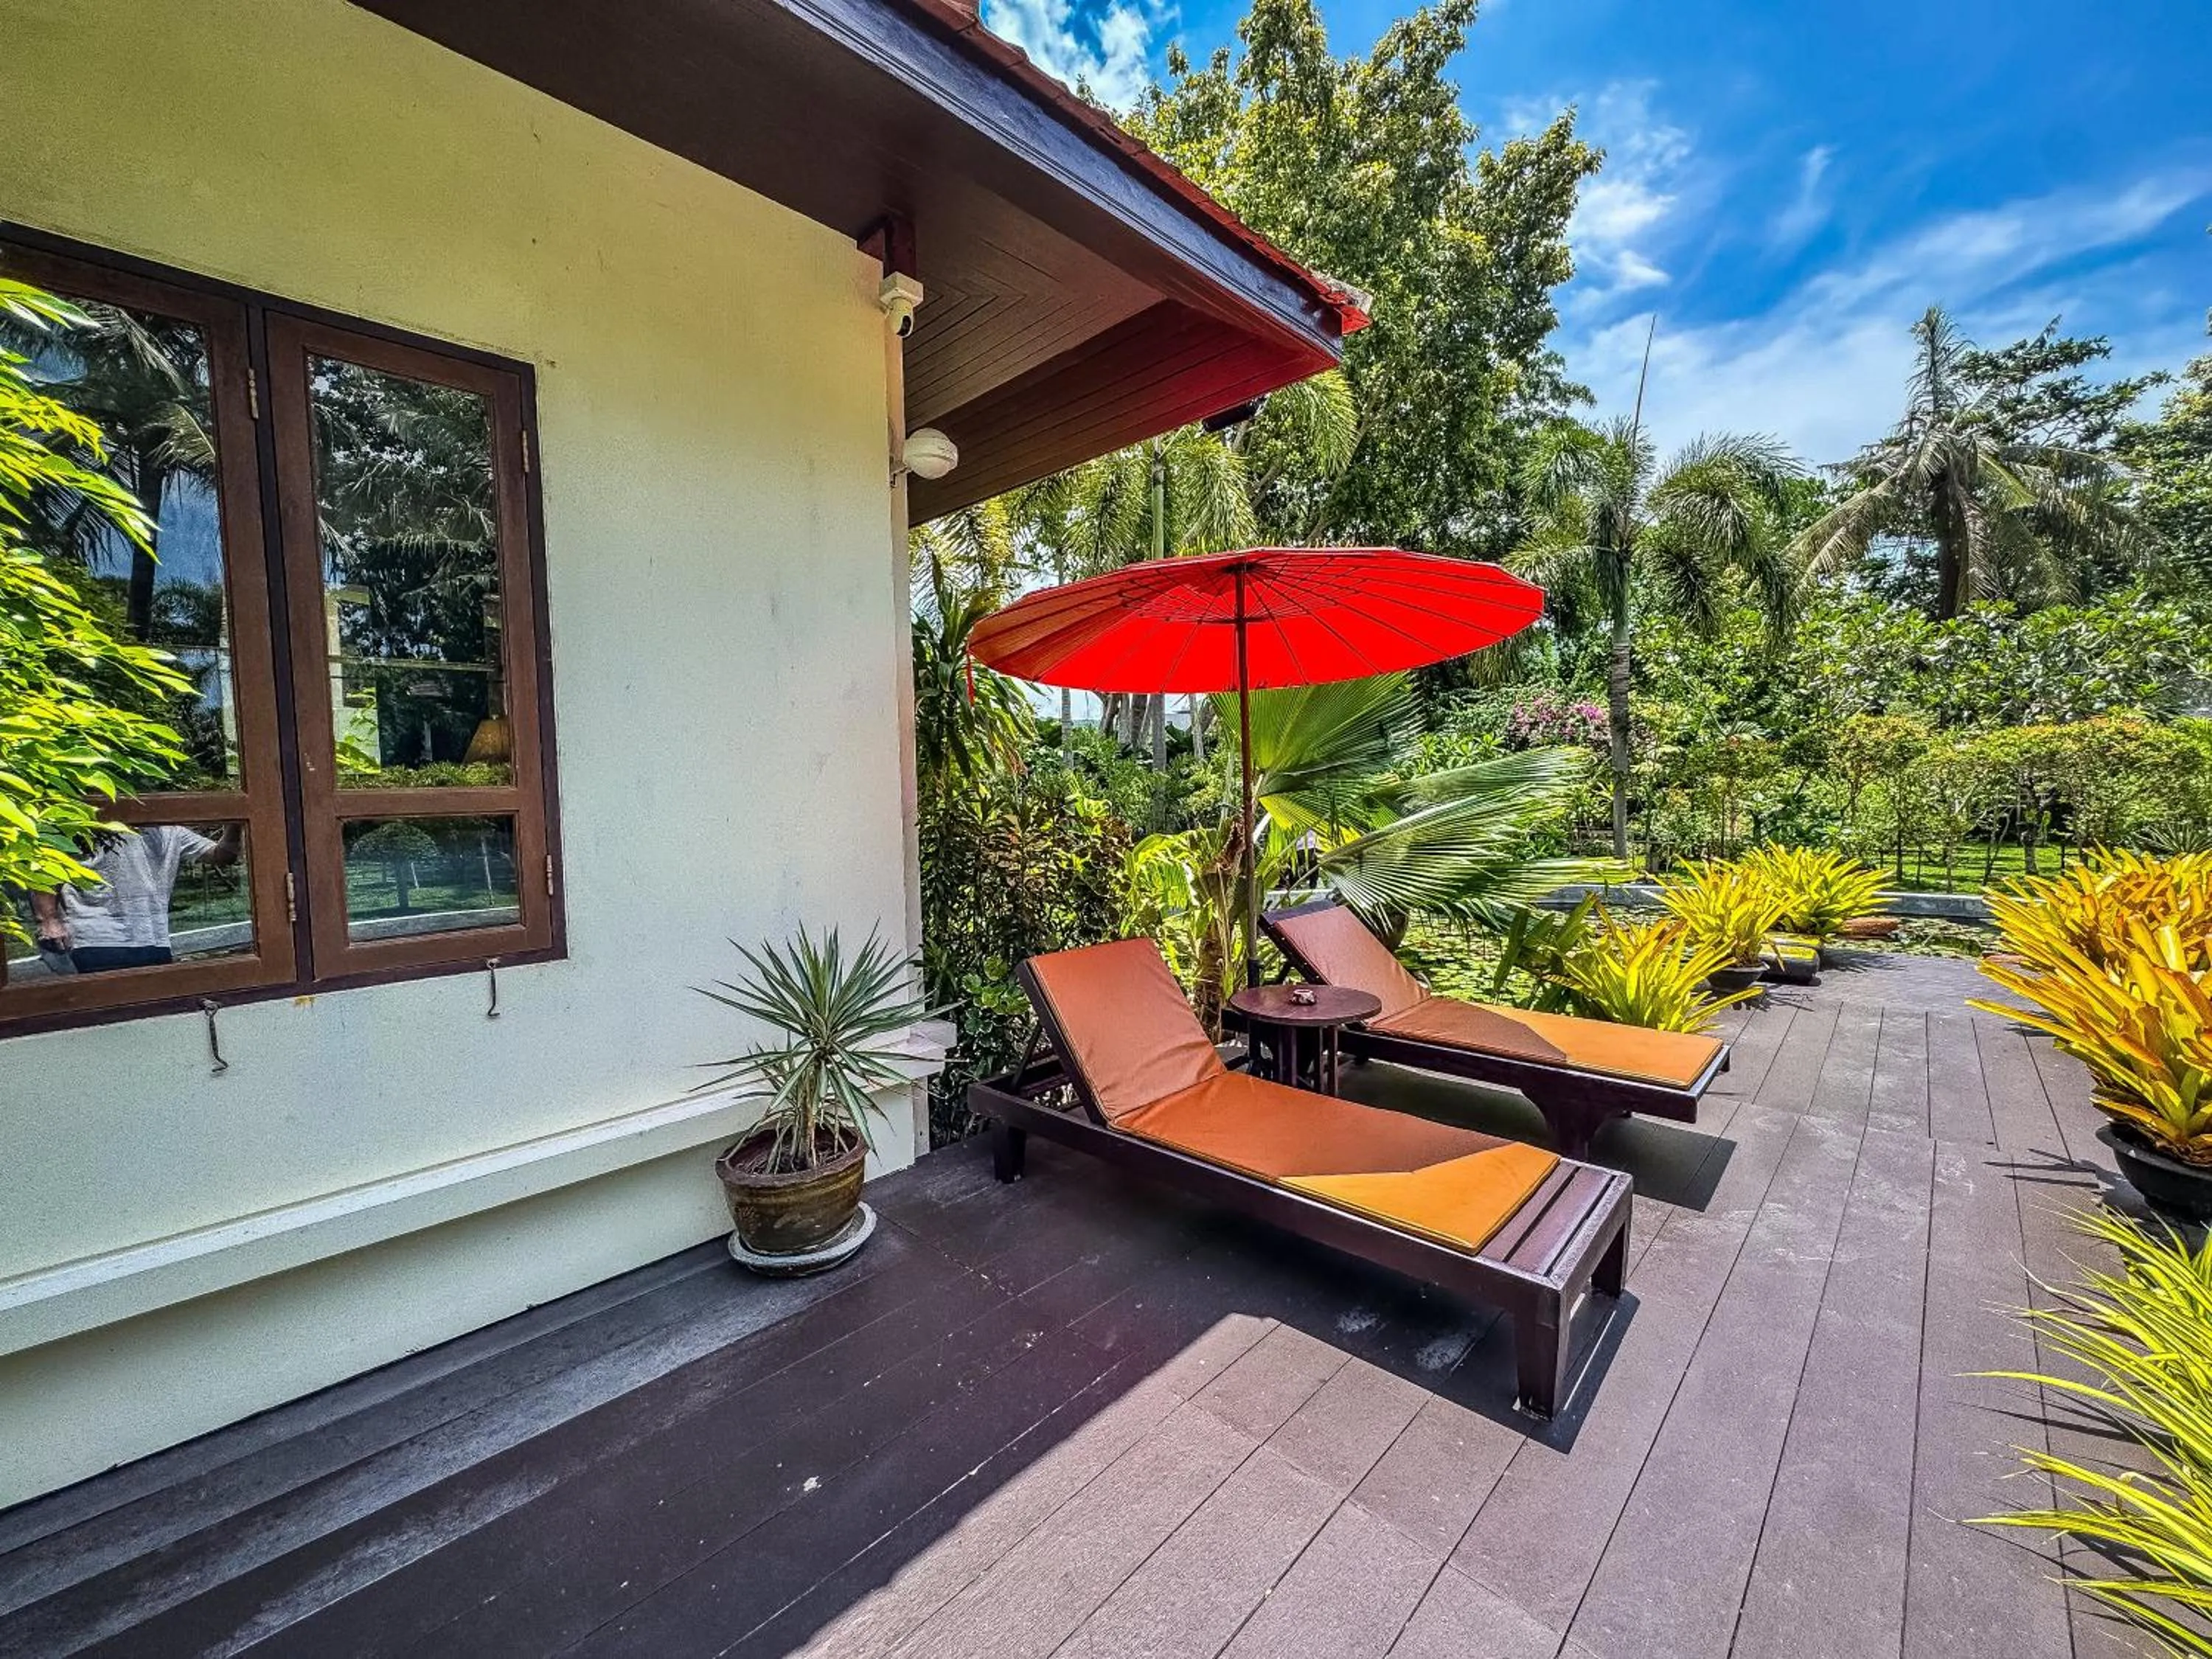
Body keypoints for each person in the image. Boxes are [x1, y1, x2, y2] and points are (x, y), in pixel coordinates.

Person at [30, 824, 242, 973]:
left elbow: (222, 855)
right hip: (96, 941)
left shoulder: (171, 832)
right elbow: (48, 869)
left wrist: (235, 821)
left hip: (154, 940)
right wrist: (48, 920)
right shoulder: (93, 826)